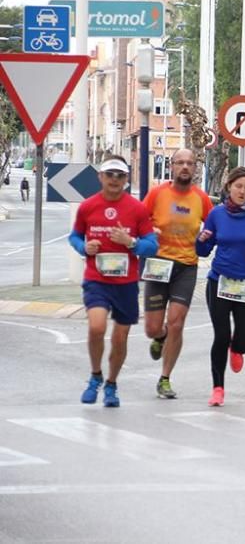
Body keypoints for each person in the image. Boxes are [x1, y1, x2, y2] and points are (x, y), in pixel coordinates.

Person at [69, 156, 158, 407]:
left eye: (120, 176)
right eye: (110, 175)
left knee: (120, 338)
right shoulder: (88, 207)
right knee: (97, 327)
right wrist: (85, 248)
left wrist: (130, 242)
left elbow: (151, 246)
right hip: (97, 279)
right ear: (101, 177)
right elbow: (74, 237)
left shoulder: (137, 209)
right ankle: (95, 375)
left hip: (126, 283)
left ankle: (111, 384)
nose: (114, 180)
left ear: (126, 180)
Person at [196, 167, 245, 407]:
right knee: (220, 336)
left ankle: (237, 347)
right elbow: (203, 250)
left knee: (244, 342)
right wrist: (200, 240)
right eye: (238, 186)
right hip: (219, 281)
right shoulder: (217, 214)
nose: (242, 191)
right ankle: (218, 388)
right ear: (229, 187)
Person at [142, 149, 213, 399]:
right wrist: (148, 232)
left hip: (186, 266)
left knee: (176, 322)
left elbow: (215, 225)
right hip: (158, 264)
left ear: (195, 169)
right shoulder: (157, 194)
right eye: (180, 162)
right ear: (171, 167)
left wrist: (209, 237)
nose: (185, 167)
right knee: (152, 327)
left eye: (190, 163)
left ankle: (165, 378)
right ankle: (158, 337)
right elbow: (139, 220)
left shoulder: (201, 198)